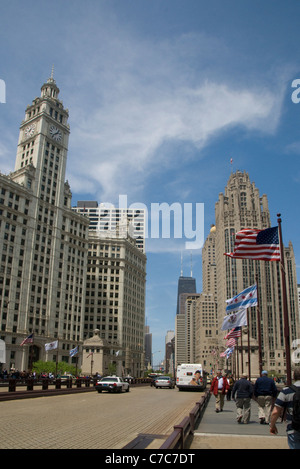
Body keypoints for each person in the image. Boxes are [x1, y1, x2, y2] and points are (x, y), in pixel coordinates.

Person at [269, 367, 300, 449]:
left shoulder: (286, 391)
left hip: (294, 428)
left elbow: (275, 412)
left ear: (294, 377)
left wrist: (272, 425)